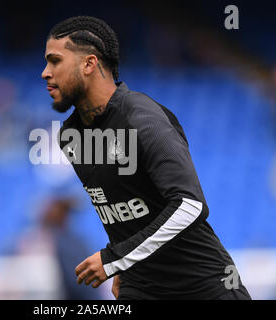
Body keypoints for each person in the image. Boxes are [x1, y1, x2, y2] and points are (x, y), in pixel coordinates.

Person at [41, 16, 251, 300]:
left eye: (55, 61)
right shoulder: (70, 136)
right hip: (141, 288)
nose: (45, 72)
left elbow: (189, 205)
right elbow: (121, 209)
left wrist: (116, 259)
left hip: (203, 286)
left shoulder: (143, 118)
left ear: (89, 64)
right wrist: (125, 269)